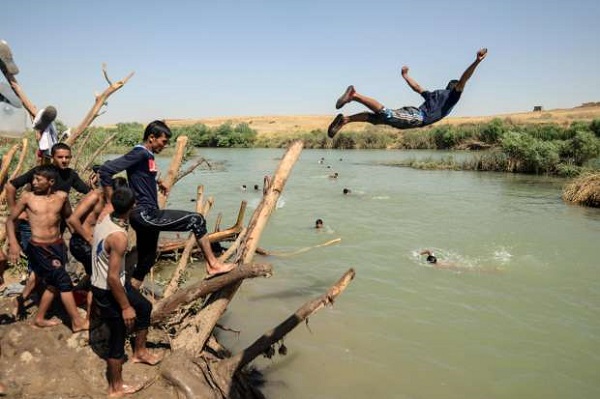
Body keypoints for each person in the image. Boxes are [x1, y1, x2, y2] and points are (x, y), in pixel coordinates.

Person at [99, 120, 234, 290]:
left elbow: (141, 175)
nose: (165, 146)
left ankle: (131, 295)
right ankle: (213, 264)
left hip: (148, 213)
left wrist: (157, 181)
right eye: (163, 141)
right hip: (144, 214)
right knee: (196, 220)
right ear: (151, 137)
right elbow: (105, 170)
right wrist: (112, 204)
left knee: (147, 260)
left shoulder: (147, 155)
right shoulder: (139, 153)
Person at [91, 186, 161, 398]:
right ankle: (115, 387)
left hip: (113, 283)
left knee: (145, 306)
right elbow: (112, 277)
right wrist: (125, 307)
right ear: (132, 207)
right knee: (118, 336)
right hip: (108, 288)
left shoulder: (104, 217)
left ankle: (140, 352)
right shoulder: (119, 237)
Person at [7, 142, 90, 318]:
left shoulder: (70, 176)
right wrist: (18, 213)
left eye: (67, 157)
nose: (65, 160)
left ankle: (26, 301)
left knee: (39, 272)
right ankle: (62, 314)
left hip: (55, 232)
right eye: (60, 157)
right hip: (33, 227)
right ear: (53, 157)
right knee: (49, 272)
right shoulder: (41, 173)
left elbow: (86, 194)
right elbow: (10, 186)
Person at [327, 48, 488, 138]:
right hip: (417, 117)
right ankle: (354, 95)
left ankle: (346, 120)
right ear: (455, 88)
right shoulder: (453, 96)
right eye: (459, 87)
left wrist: (405, 76)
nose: (461, 87)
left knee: (377, 119)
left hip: (414, 116)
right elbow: (464, 79)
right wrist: (477, 61)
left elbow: (417, 87)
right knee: (386, 113)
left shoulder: (435, 94)